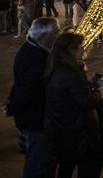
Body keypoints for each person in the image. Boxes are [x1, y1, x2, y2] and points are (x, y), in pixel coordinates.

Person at [44, 32, 102, 178]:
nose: (84, 49)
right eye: (81, 47)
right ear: (71, 50)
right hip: (78, 132)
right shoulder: (70, 73)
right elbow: (87, 101)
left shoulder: (54, 67)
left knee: (66, 167)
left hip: (62, 129)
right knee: (90, 166)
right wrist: (97, 94)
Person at [7, 16, 59, 178]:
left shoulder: (34, 50)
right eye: (56, 32)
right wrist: (12, 107)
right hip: (35, 119)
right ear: (46, 35)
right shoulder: (35, 57)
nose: (58, 35)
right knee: (37, 163)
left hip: (33, 117)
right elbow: (27, 89)